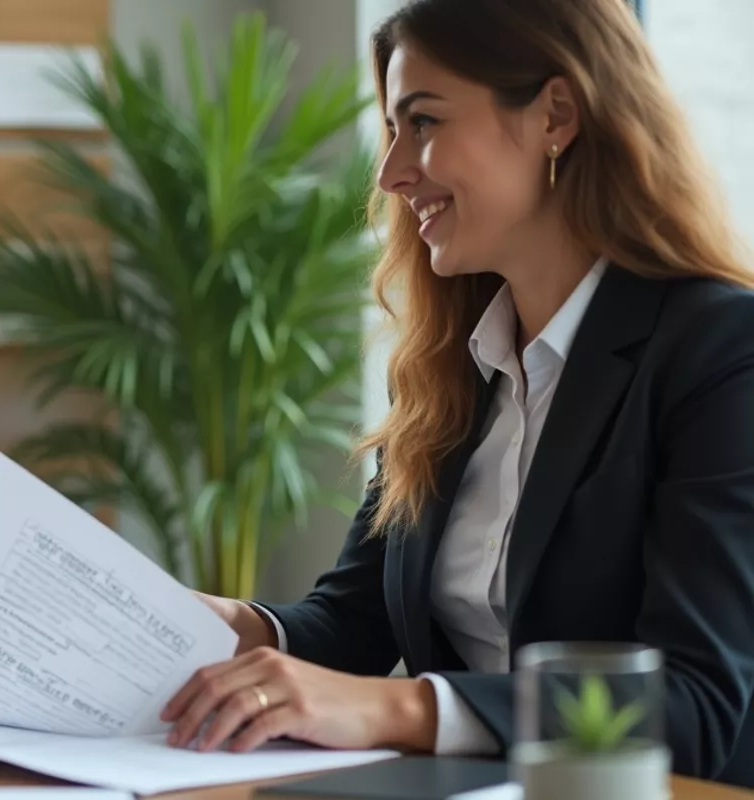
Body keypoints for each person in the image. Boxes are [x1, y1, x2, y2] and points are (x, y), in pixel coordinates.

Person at [159, 0, 754, 787]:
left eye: (424, 122)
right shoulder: (455, 367)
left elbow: (693, 707)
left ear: (557, 115)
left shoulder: (721, 351)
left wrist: (398, 709)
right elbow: (349, 626)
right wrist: (190, 626)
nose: (390, 173)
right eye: (393, 129)